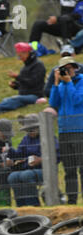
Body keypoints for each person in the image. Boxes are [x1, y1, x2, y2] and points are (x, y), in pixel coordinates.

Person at [49, 56, 83, 204]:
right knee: (69, 169)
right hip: (64, 131)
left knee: (82, 167)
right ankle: (72, 199)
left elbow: (77, 100)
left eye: (69, 67)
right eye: (64, 68)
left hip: (80, 129)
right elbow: (53, 103)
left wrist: (69, 83)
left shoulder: (81, 82)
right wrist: (56, 84)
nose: (67, 71)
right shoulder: (61, 85)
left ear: (75, 67)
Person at [6, 114, 60, 207]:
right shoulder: (26, 139)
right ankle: (21, 207)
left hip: (46, 170)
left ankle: (34, 205)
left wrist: (41, 160)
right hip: (29, 169)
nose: (29, 132)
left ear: (39, 127)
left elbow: (57, 156)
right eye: (27, 130)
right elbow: (19, 154)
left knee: (26, 175)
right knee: (12, 177)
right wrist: (9, 151)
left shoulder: (49, 137)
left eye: (32, 130)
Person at [0, 42, 46, 115]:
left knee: (16, 99)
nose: (20, 58)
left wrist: (17, 77)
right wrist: (16, 85)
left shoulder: (38, 65)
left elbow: (34, 82)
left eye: (21, 55)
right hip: (25, 95)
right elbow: (24, 84)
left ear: (27, 53)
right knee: (7, 100)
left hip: (35, 96)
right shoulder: (25, 67)